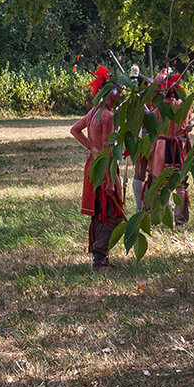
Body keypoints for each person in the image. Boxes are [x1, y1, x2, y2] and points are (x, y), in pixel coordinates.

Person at [70, 66, 126, 269]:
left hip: (93, 166)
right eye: (119, 92)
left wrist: (91, 148)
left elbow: (75, 130)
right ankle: (100, 255)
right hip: (103, 169)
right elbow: (108, 152)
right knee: (112, 213)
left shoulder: (94, 112)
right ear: (111, 93)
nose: (120, 95)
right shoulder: (108, 117)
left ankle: (99, 257)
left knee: (100, 211)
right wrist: (110, 180)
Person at [150, 73, 192, 225]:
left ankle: (156, 218)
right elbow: (187, 126)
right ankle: (180, 220)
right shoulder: (185, 104)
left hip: (162, 146)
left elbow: (151, 124)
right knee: (181, 184)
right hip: (180, 145)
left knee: (158, 184)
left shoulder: (160, 105)